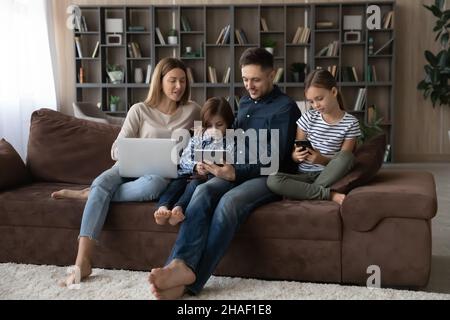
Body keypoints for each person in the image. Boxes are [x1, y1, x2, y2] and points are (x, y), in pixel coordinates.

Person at [148, 48, 301, 299]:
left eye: (256, 79)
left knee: (228, 203)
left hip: (268, 177)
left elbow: (273, 159)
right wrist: (208, 149)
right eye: (245, 79)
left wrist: (234, 173)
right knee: (203, 189)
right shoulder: (245, 103)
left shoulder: (285, 108)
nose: (249, 85)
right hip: (233, 168)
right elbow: (230, 136)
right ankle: (179, 265)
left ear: (272, 74)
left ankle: (191, 282)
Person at [58, 57, 200, 287]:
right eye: (172, 80)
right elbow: (116, 148)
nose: (178, 86)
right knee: (103, 180)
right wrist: (129, 151)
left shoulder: (192, 110)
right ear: (159, 82)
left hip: (157, 176)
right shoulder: (140, 110)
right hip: (126, 167)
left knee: (153, 186)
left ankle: (92, 193)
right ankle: (82, 261)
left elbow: (205, 137)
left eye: (182, 81)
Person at [267, 69, 361, 204]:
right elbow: (295, 152)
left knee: (347, 156)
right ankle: (327, 194)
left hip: (329, 174)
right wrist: (296, 156)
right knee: (273, 180)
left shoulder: (350, 123)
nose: (316, 105)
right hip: (303, 176)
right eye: (311, 101)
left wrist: (321, 160)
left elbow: (342, 161)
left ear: (334, 92)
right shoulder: (307, 118)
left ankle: (307, 192)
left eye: (319, 99)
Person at [154, 97, 235, 226]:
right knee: (176, 184)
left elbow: (230, 164)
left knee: (194, 186)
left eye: (219, 125)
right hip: (189, 173)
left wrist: (212, 168)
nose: (214, 130)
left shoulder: (231, 139)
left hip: (206, 178)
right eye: (209, 125)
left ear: (228, 122)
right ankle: (163, 208)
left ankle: (178, 208)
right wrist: (195, 166)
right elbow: (184, 159)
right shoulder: (199, 136)